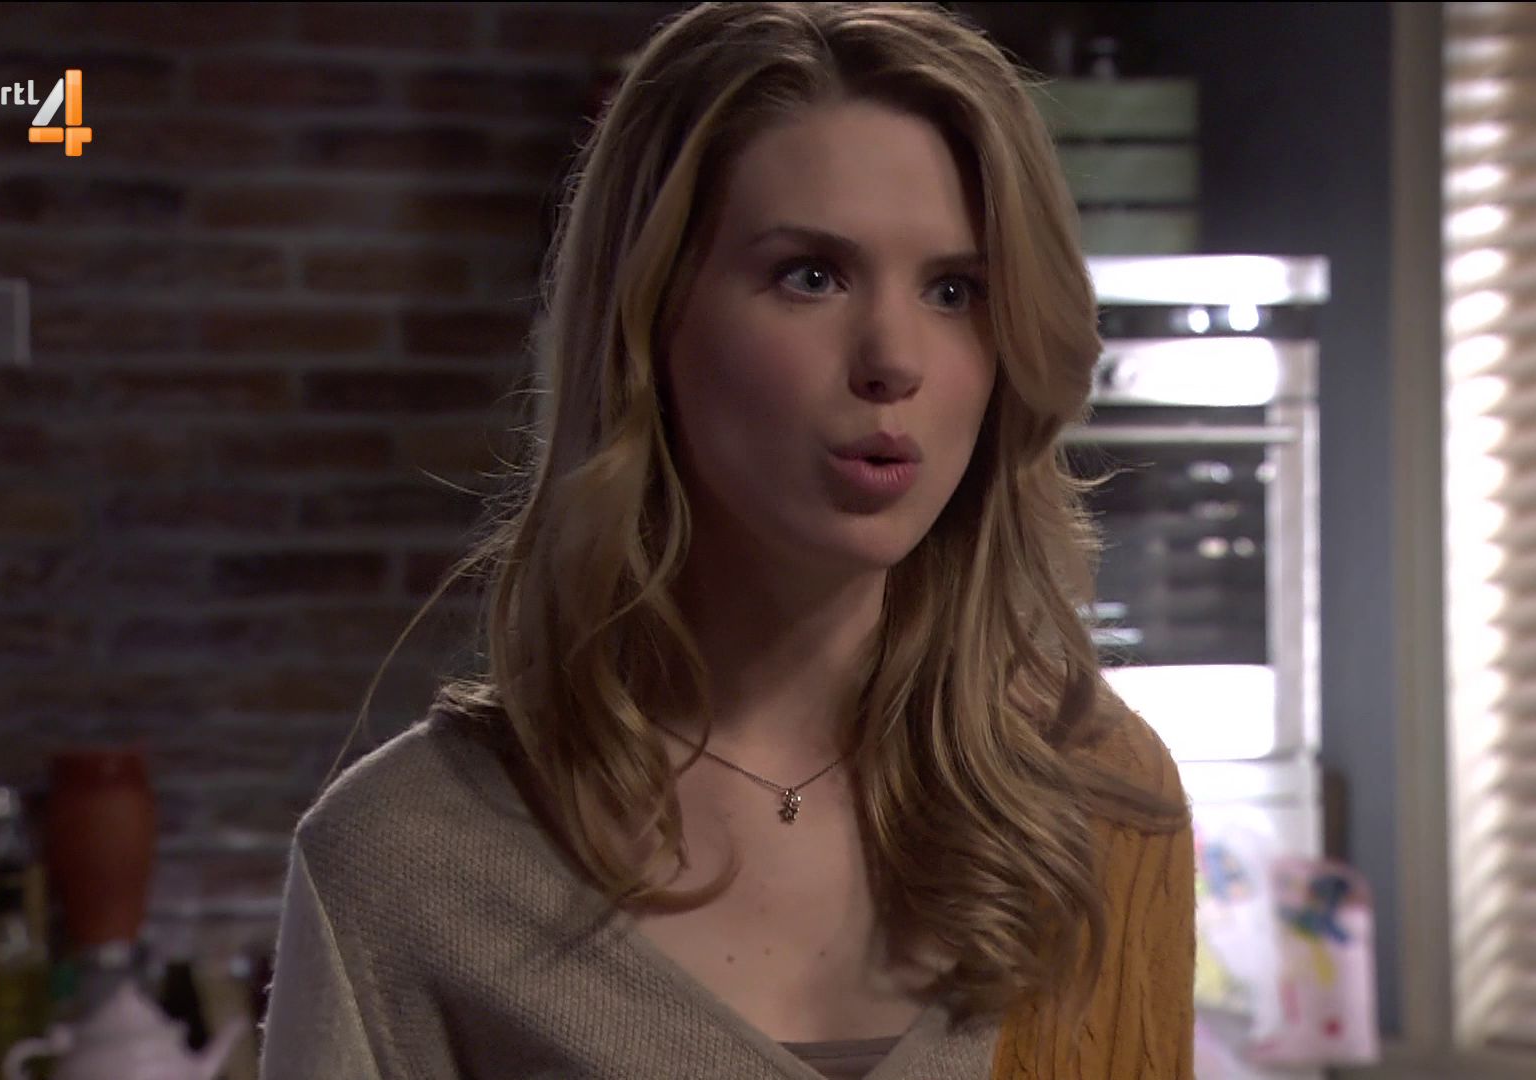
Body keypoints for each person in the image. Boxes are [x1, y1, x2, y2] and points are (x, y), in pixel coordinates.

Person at [258, 3, 1195, 1078]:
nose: (894, 358)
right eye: (812, 275)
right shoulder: (406, 860)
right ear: (651, 319)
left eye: (954, 291)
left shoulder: (1095, 799)